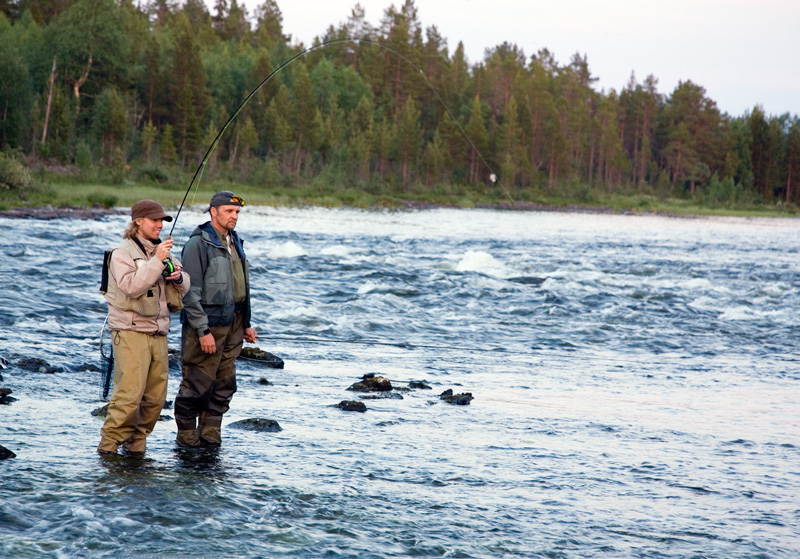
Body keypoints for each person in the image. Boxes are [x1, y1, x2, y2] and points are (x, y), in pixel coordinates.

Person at [98, 200, 189, 457]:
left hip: (158, 333)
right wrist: (158, 262)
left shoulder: (162, 250)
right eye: (155, 221)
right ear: (138, 221)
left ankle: (136, 449)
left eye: (163, 221)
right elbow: (132, 286)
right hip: (130, 332)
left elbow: (186, 284)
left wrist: (178, 277)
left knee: (155, 399)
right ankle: (107, 450)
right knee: (128, 397)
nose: (160, 225)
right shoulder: (121, 253)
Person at [174, 190, 258, 447]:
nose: (234, 216)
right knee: (197, 382)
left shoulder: (235, 241)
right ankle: (187, 437)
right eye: (229, 212)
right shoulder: (198, 244)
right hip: (207, 325)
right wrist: (202, 330)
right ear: (214, 211)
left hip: (233, 325)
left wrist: (245, 323)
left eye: (237, 213)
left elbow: (240, 286)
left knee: (224, 383)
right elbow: (189, 292)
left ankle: (211, 434)